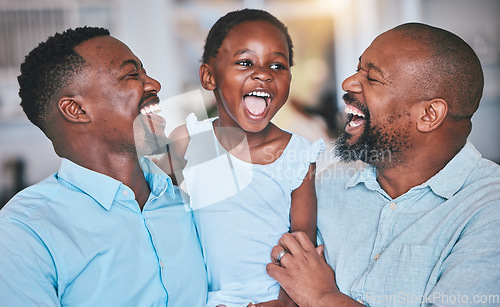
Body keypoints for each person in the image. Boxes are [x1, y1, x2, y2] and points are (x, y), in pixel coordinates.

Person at [265, 22, 500, 306]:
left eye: (372, 78)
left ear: (429, 114)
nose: (348, 84)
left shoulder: (489, 209)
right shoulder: (327, 185)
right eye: (358, 69)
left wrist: (322, 296)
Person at [0, 26, 207, 306]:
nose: (154, 84)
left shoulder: (191, 198)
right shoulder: (24, 231)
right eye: (131, 74)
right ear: (77, 109)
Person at [159, 9, 324, 307]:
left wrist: (283, 304)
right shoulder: (191, 141)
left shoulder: (296, 154)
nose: (264, 73)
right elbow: (159, 218)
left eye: (278, 65)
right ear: (209, 76)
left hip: (272, 300)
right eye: (245, 62)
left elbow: (303, 248)